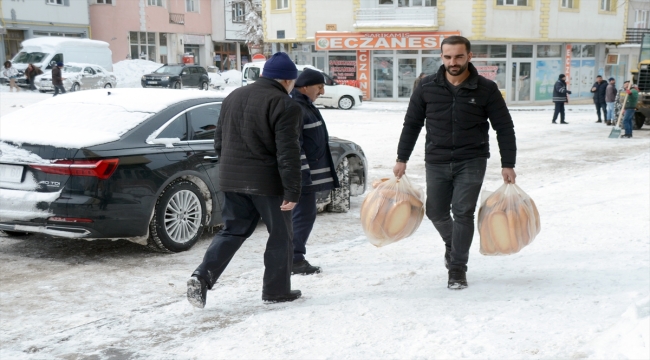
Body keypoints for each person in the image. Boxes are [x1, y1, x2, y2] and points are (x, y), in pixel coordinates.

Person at [393, 36, 516, 290]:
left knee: (463, 212)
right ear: (442, 57)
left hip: (472, 159)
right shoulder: (426, 87)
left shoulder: (486, 89)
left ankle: (457, 268)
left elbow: (504, 127)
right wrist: (401, 158)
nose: (453, 62)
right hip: (436, 159)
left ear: (469, 56)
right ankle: (455, 244)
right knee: (435, 211)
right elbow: (412, 125)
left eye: (459, 56)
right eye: (448, 57)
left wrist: (508, 163)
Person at [187, 52, 303, 308]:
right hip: (267, 183)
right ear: (287, 80)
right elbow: (288, 152)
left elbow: (219, 141)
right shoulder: (285, 104)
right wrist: (293, 191)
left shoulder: (233, 96)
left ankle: (202, 276)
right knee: (281, 235)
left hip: (231, 178)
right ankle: (276, 290)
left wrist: (231, 170)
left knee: (233, 230)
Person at [289, 68, 340, 275]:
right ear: (305, 86)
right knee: (303, 215)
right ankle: (294, 259)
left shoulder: (305, 105)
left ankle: (292, 257)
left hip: (304, 174)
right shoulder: (297, 108)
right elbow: (296, 145)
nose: (321, 91)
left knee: (303, 215)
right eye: (319, 87)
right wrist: (303, 175)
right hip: (302, 176)